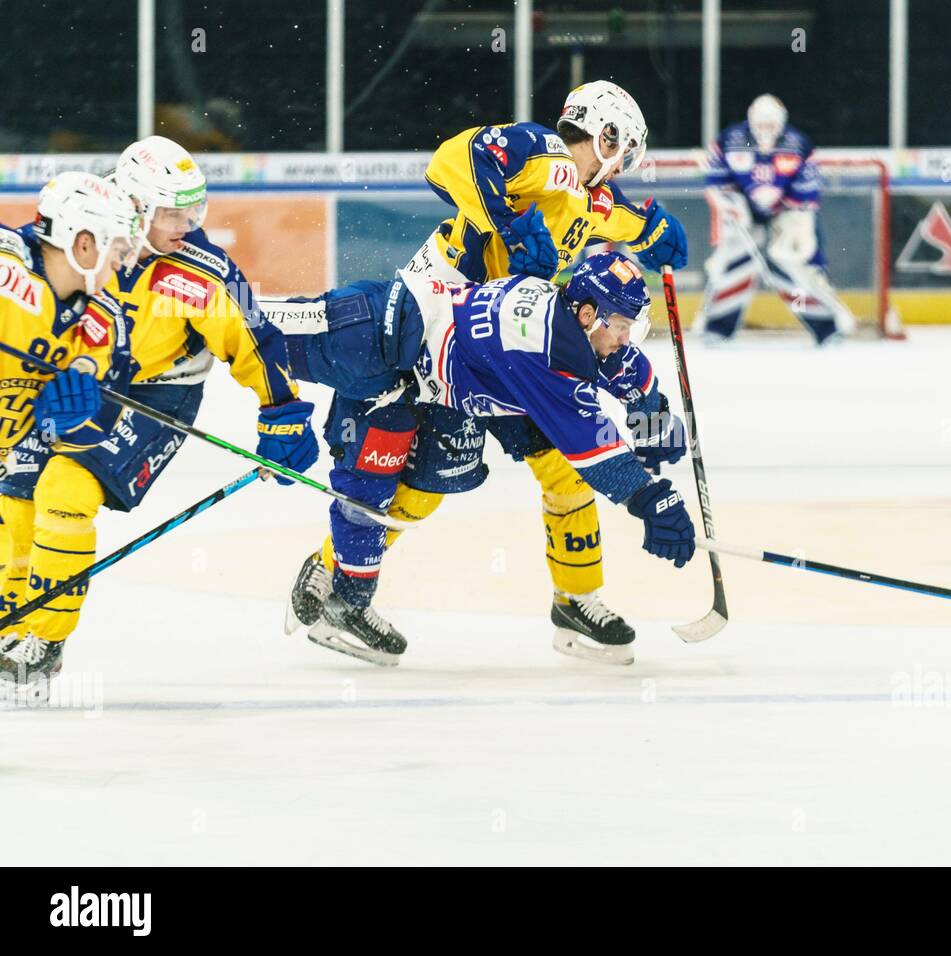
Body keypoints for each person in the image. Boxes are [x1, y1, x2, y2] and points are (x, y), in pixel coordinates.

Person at [294, 80, 689, 652]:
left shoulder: (592, 198)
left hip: (514, 354)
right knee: (423, 482)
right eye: (625, 148)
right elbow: (450, 161)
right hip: (438, 333)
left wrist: (659, 234)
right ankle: (334, 572)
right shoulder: (544, 153)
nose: (625, 162)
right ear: (606, 136)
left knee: (562, 466)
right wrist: (507, 224)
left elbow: (629, 220)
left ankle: (575, 600)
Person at [272, 252, 694, 666]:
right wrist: (651, 499)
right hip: (409, 359)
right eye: (622, 326)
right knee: (404, 497)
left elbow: (622, 365)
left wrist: (652, 416)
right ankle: (334, 575)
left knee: (551, 478)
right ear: (587, 315)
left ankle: (575, 601)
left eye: (630, 327)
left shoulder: (573, 324)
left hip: (479, 383)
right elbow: (594, 449)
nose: (625, 338)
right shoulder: (540, 350)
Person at [0, 137, 318, 681]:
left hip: (159, 394)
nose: (187, 223)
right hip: (83, 381)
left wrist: (282, 411)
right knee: (17, 491)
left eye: (196, 209)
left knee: (65, 492)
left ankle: (43, 640)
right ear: (134, 206)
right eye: (174, 211)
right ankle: (12, 618)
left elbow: (257, 338)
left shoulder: (205, 272)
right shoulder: (86, 234)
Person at [0, 172, 141, 683]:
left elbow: (98, 425)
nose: (125, 262)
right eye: (118, 247)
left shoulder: (105, 321)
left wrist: (76, 420)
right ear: (84, 243)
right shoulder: (8, 270)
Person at [696, 94, 855, 345]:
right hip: (744, 214)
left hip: (786, 213)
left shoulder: (798, 143)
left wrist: (786, 207)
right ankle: (717, 327)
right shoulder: (730, 139)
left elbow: (808, 191)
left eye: (771, 125)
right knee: (735, 261)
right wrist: (733, 206)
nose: (766, 130)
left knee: (792, 263)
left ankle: (827, 325)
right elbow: (715, 182)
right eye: (761, 124)